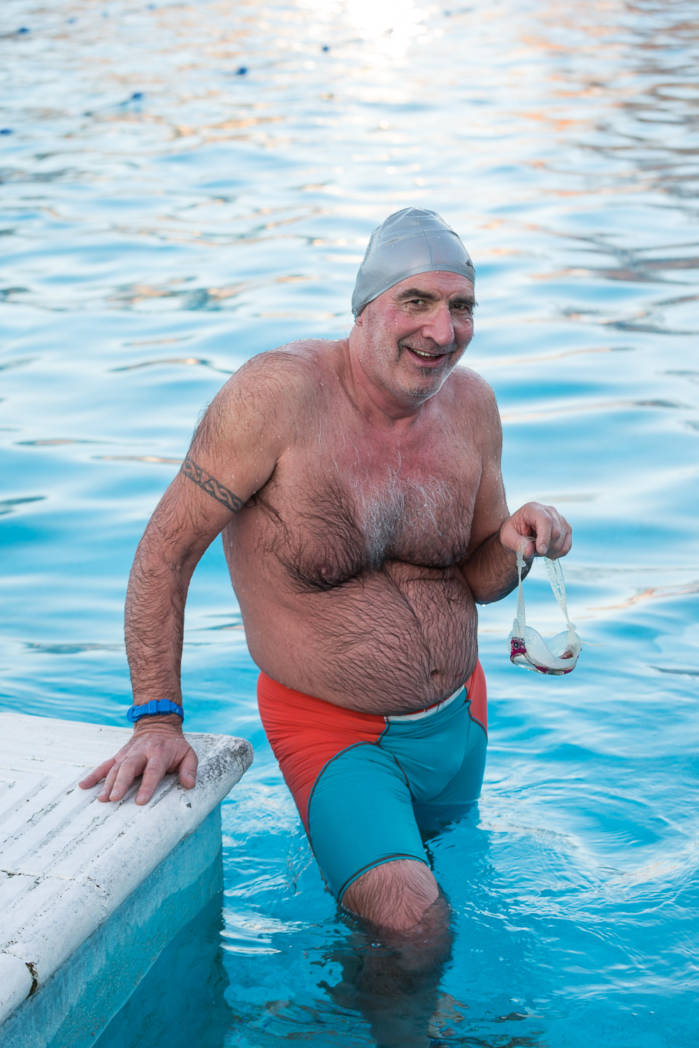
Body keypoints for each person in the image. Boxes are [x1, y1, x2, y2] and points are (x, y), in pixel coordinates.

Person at [80, 208, 572, 939]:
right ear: (365, 308)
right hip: (333, 731)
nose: (443, 332)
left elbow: (477, 580)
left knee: (428, 888)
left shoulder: (471, 405)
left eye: (461, 306)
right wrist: (157, 719)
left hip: (460, 721)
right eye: (417, 302)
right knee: (413, 920)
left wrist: (514, 539)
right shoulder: (275, 400)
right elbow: (165, 553)